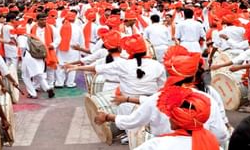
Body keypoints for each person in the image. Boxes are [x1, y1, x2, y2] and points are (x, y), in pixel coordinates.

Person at [94, 46, 229, 144]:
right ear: (194, 76)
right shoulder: (206, 99)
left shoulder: (157, 99)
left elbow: (131, 121)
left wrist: (107, 116)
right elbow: (221, 134)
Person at [134, 86, 220, 150]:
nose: (169, 119)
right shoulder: (215, 146)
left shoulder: (156, 145)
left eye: (171, 115)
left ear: (177, 121)